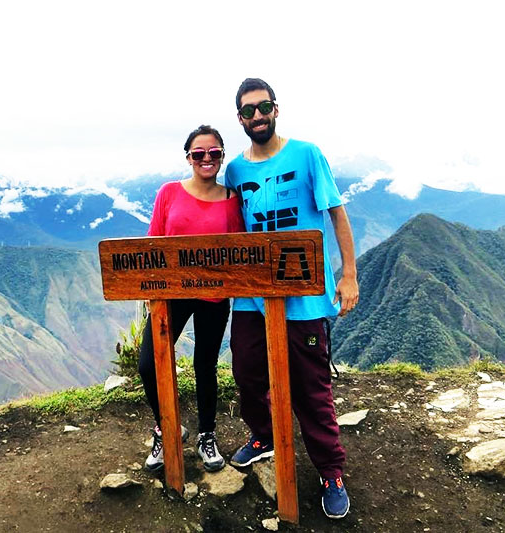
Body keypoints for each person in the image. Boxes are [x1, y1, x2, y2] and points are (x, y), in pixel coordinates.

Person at [223, 78, 359, 519]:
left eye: (263, 107)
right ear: (240, 118)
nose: (257, 116)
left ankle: (330, 471)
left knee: (311, 388)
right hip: (252, 295)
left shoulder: (307, 154)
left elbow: (336, 213)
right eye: (248, 111)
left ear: (276, 109)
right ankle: (263, 435)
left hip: (304, 294)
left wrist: (348, 275)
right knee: (246, 374)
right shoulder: (236, 171)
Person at [139, 124, 245, 473]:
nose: (206, 159)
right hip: (172, 292)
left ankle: (206, 434)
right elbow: (153, 241)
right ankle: (165, 428)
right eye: (199, 153)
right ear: (188, 157)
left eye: (214, 153)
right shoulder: (169, 192)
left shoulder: (232, 201)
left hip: (214, 295)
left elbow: (239, 249)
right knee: (148, 363)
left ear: (222, 156)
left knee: (205, 366)